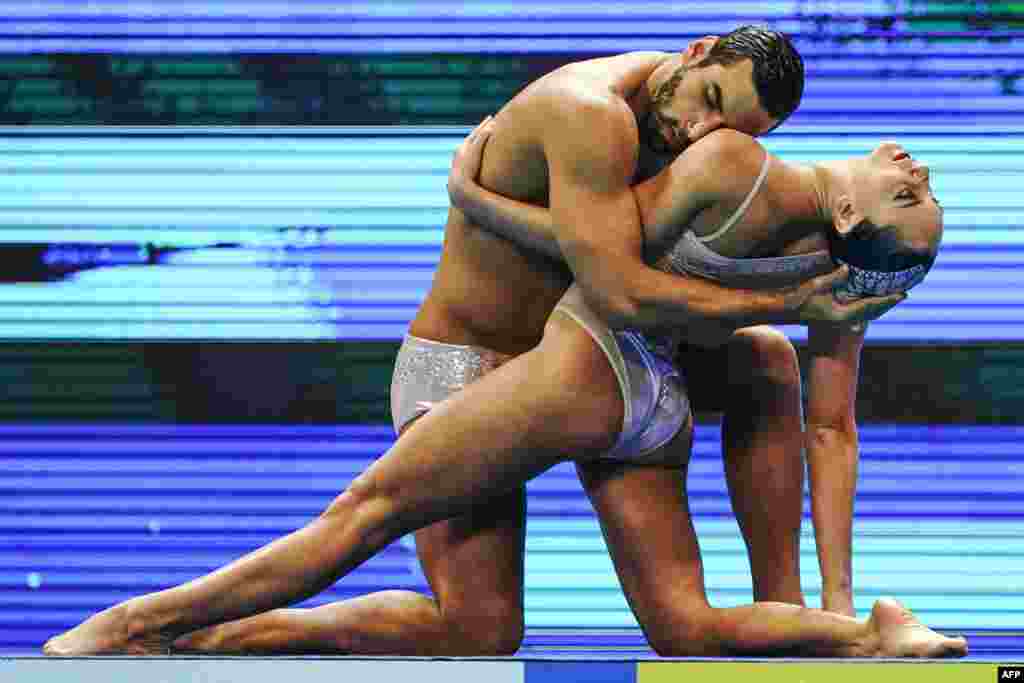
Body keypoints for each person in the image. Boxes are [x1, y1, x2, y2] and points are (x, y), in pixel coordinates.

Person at [42, 27, 960, 658]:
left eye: (731, 128)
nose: (699, 131)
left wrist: (481, 199)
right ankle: (160, 627)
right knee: (472, 624)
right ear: (694, 52)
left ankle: (815, 623)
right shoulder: (589, 110)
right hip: (468, 365)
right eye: (709, 100)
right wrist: (796, 302)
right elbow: (619, 280)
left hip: (589, 366)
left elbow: (624, 281)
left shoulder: (716, 160)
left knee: (752, 377)